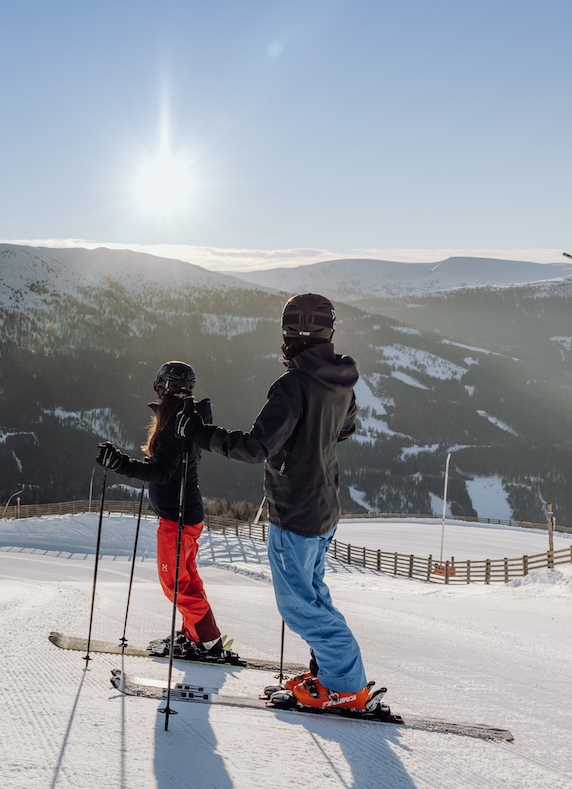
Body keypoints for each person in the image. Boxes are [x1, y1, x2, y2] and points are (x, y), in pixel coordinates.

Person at [177, 293, 384, 712]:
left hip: (296, 512)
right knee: (315, 596)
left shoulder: (293, 385)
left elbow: (256, 448)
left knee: (298, 606)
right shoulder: (340, 377)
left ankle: (346, 687)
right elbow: (345, 429)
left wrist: (201, 432)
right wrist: (309, 440)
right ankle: (332, 674)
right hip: (324, 506)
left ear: (290, 333)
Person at [95, 361, 239, 663]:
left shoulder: (177, 423)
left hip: (178, 518)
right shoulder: (187, 418)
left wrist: (121, 464)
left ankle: (206, 641)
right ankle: (199, 635)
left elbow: (162, 472)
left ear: (163, 386)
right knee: (187, 578)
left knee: (174, 582)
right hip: (186, 514)